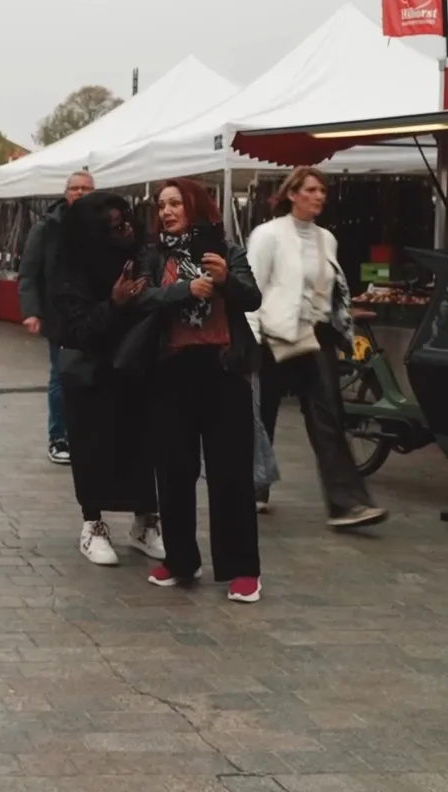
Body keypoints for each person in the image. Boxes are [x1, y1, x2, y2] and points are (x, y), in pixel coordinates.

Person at [123, 179, 264, 603]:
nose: (166, 211)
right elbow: (140, 298)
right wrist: (184, 289)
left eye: (175, 203)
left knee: (230, 472)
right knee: (174, 470)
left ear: (195, 206)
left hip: (224, 370)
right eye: (161, 205)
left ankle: (242, 570)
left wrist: (225, 280)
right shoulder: (153, 254)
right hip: (171, 371)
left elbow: (253, 298)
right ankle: (181, 560)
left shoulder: (228, 250)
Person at [245, 168, 387, 528]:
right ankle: (252, 487)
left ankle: (347, 503)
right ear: (292, 194)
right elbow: (252, 286)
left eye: (322, 190)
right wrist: (250, 337)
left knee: (328, 418)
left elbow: (330, 288)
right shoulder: (268, 235)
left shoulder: (327, 239)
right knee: (261, 415)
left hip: (314, 335)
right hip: (272, 335)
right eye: (310, 189)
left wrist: (341, 321)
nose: (319, 196)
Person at [44, 191, 162, 566]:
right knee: (93, 451)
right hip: (91, 374)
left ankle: (145, 522)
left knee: (143, 449)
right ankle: (93, 524)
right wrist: (114, 304)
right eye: (114, 227)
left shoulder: (141, 256)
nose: (126, 230)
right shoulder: (69, 269)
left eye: (126, 221)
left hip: (138, 370)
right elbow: (76, 330)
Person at [18, 169, 95, 465]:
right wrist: (31, 311)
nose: (80, 193)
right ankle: (59, 436)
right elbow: (29, 272)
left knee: (94, 376)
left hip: (96, 316)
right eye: (75, 188)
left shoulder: (104, 225)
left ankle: (87, 436)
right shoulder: (47, 228)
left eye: (86, 188)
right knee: (61, 376)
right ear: (66, 193)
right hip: (60, 316)